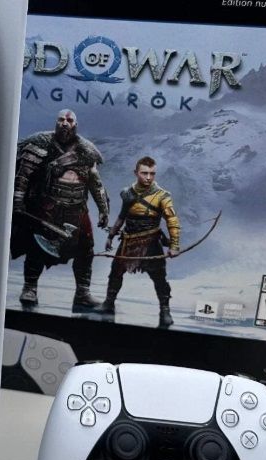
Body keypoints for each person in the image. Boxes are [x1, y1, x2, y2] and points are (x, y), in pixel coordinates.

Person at [11, 109, 109, 311]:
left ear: (75, 125)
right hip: (48, 206)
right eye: (61, 119)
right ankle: (30, 288)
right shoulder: (40, 143)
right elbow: (23, 176)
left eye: (69, 120)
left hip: (77, 209)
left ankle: (82, 293)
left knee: (85, 249)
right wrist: (18, 202)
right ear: (56, 122)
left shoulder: (86, 150)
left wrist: (103, 209)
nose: (65, 123)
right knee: (37, 246)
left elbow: (95, 183)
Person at [100, 156, 180, 328]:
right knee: (115, 273)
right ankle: (108, 303)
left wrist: (174, 246)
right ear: (136, 173)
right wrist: (111, 236)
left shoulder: (162, 196)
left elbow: (172, 221)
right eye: (144, 173)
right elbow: (122, 216)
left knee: (159, 278)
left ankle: (165, 311)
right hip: (128, 241)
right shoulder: (128, 193)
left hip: (151, 243)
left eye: (152, 173)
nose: (149, 177)